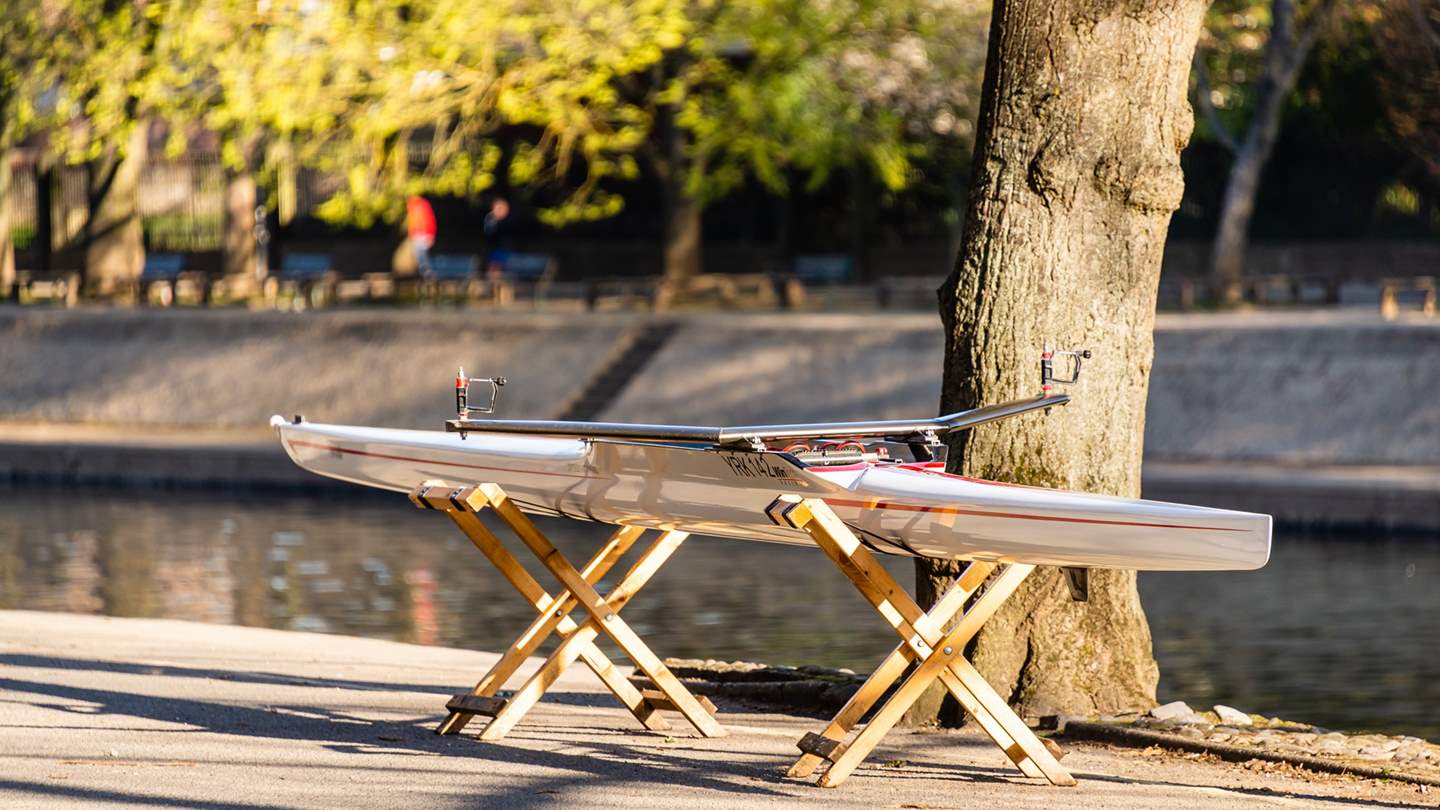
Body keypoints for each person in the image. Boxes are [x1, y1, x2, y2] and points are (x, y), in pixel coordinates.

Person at [406, 195, 436, 277]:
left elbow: (428, 220)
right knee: (420, 254)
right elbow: (412, 222)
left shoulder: (421, 205)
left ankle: (426, 272)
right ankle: (424, 272)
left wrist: (430, 234)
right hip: (417, 234)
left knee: (421, 254)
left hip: (422, 234)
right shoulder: (413, 206)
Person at [483, 197, 511, 283]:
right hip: (493, 249)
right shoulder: (490, 219)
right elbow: (489, 233)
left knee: (498, 267)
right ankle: (493, 285)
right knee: (493, 267)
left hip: (503, 249)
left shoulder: (507, 221)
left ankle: (497, 285)